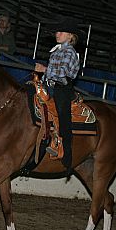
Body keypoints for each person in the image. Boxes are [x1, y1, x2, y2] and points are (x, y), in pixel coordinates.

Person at [34, 17, 80, 173]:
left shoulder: (69, 52)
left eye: (61, 32)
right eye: (57, 31)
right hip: (51, 86)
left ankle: (66, 152)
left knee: (62, 113)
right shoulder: (57, 50)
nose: (57, 34)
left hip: (63, 89)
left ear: (70, 36)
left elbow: (62, 75)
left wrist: (44, 70)